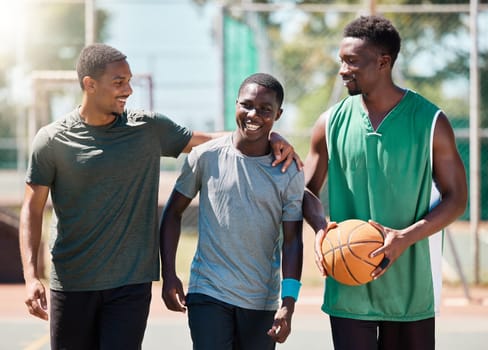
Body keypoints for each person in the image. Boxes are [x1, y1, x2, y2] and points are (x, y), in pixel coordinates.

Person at [18, 44, 301, 350]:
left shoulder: (147, 128)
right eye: (119, 82)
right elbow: (31, 210)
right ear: (90, 84)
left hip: (130, 285)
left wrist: (269, 133)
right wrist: (32, 276)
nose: (128, 89)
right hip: (71, 283)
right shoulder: (51, 139)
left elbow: (206, 140)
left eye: (129, 81)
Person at [302, 15, 467, 350]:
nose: (342, 70)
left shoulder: (430, 121)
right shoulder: (329, 123)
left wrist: (405, 237)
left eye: (352, 62)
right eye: (341, 61)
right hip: (348, 282)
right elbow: (305, 190)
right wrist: (321, 227)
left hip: (409, 287)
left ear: (383, 62)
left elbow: (457, 198)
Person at [160, 73, 304, 349]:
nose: (254, 114)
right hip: (208, 291)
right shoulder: (205, 156)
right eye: (247, 105)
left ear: (278, 114)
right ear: (235, 103)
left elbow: (292, 240)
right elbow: (173, 213)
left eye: (265, 110)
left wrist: (288, 303)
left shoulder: (289, 171)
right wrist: (169, 273)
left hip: (261, 299)